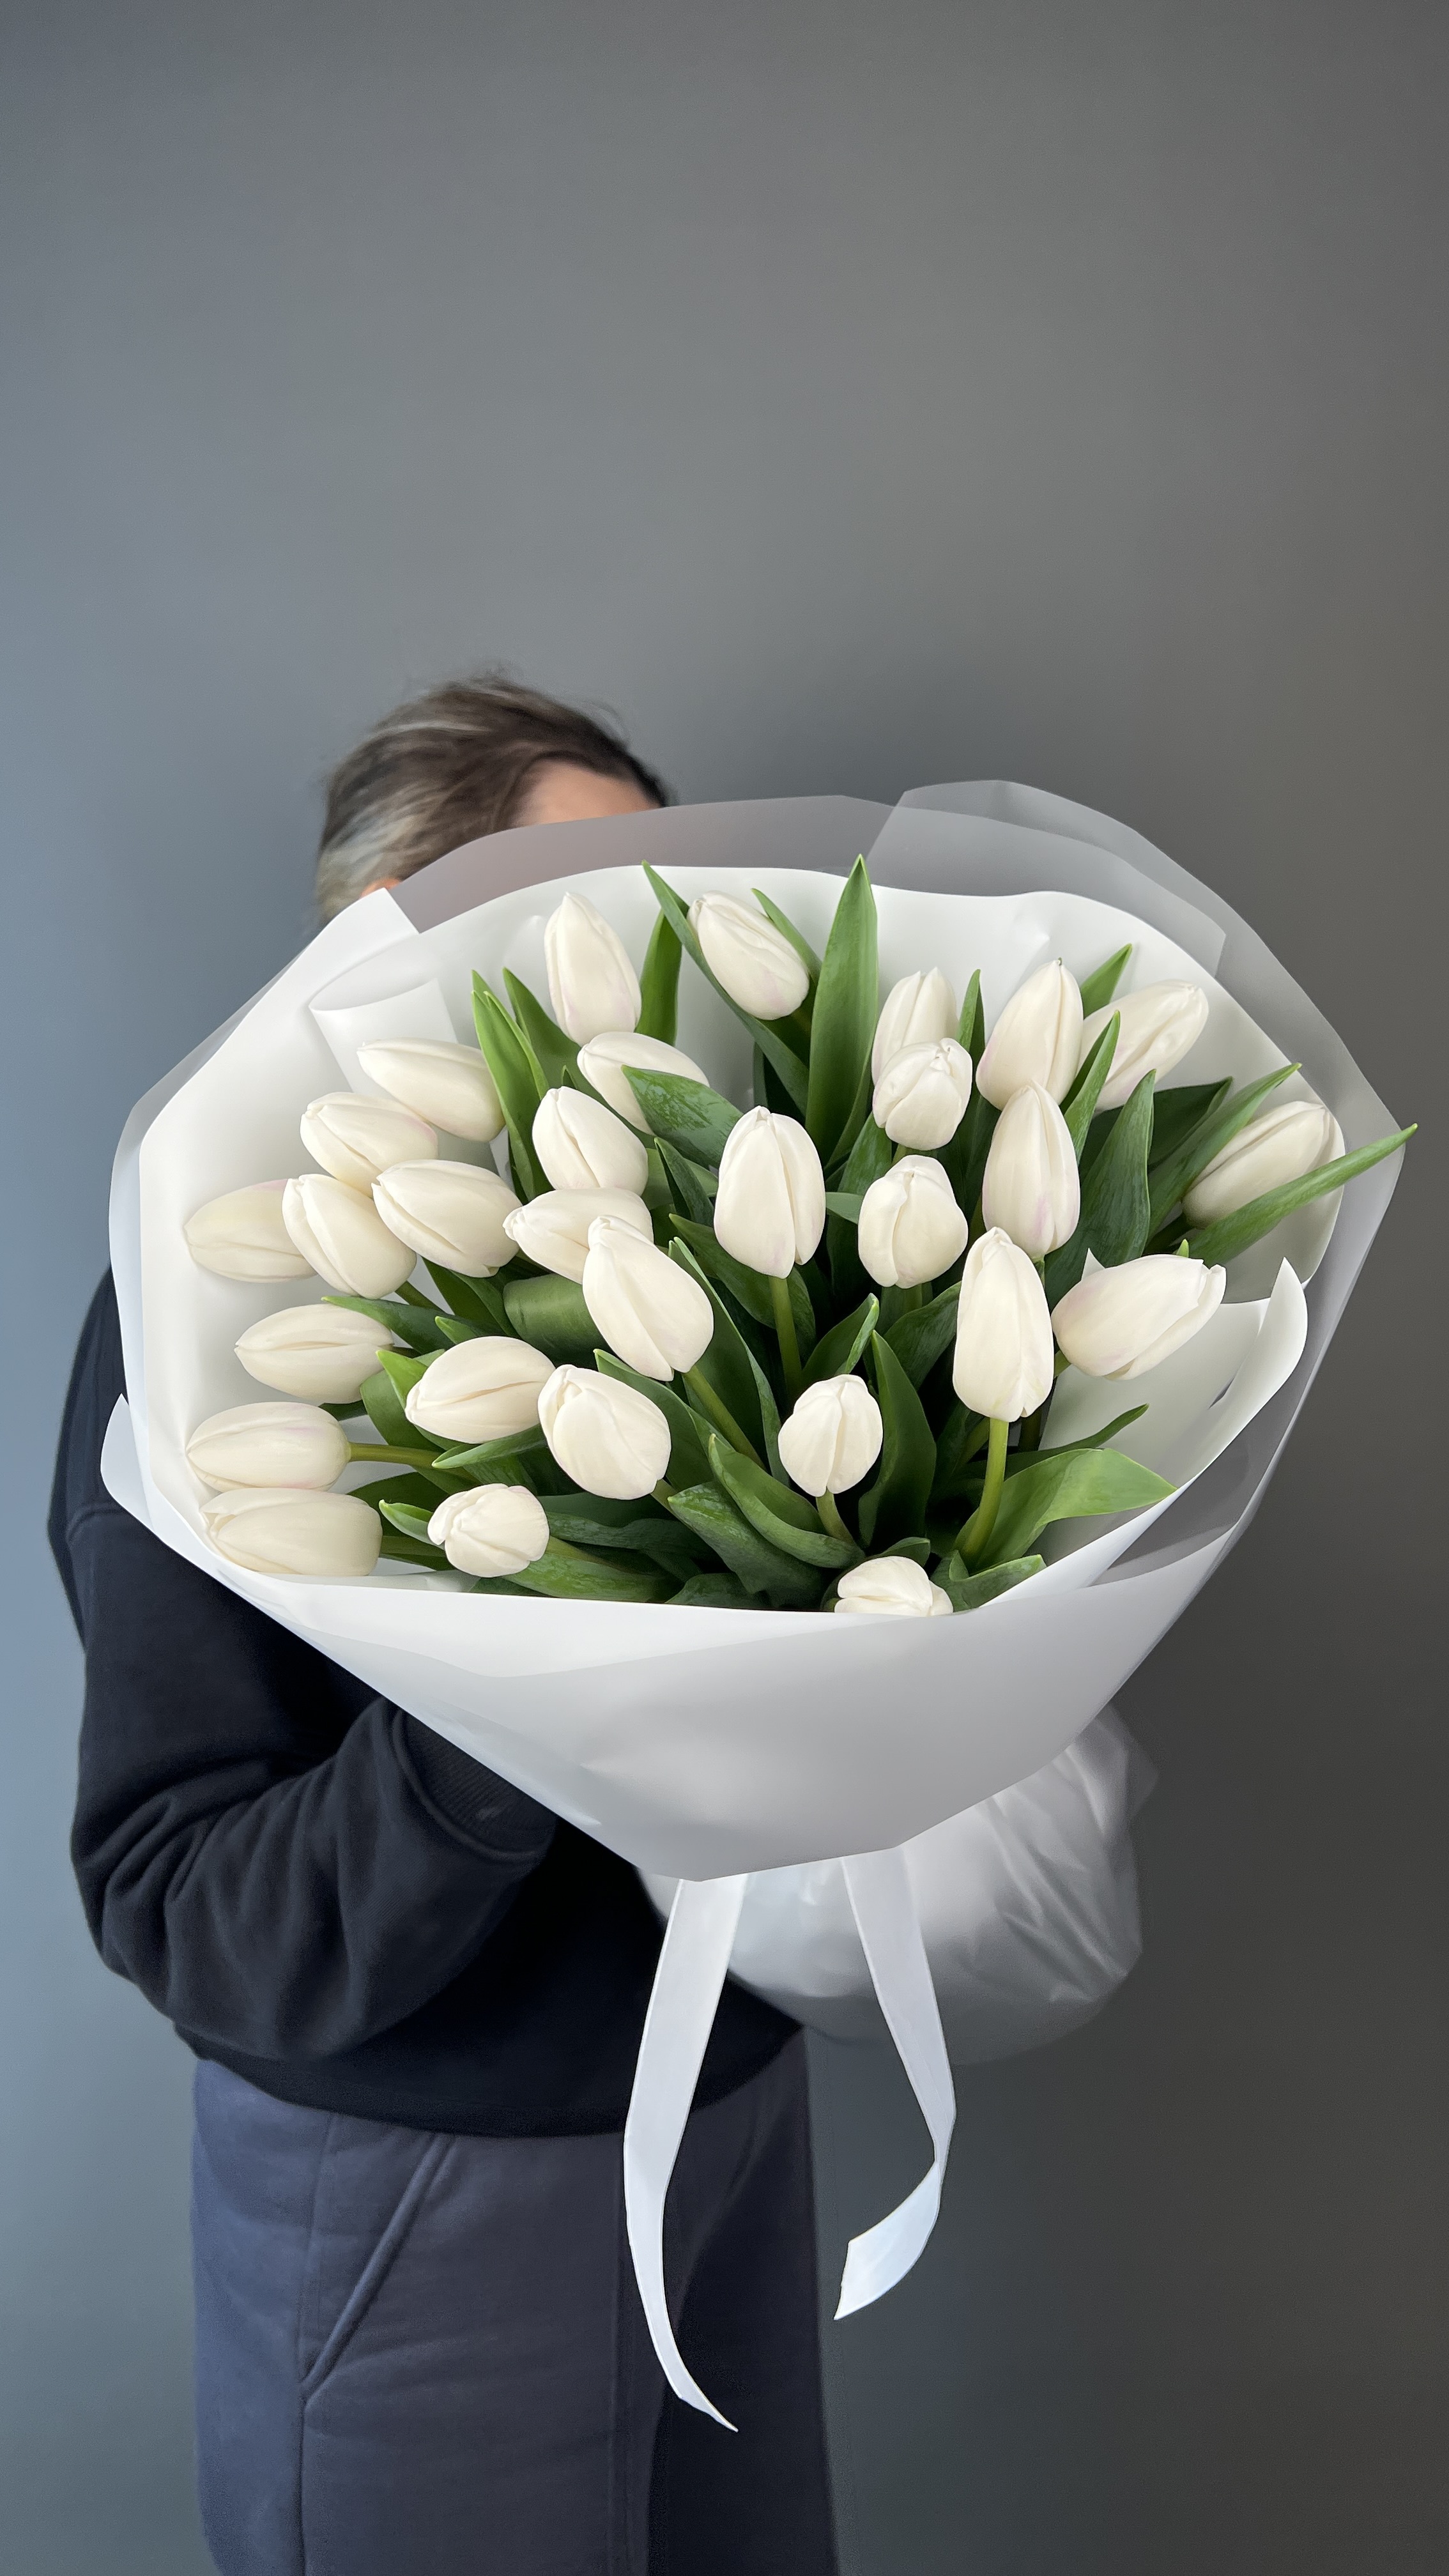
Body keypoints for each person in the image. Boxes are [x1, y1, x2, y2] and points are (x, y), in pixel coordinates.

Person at [49, 675, 840, 2576]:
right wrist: (524, 1694)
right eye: (574, 905)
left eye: (659, 905)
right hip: (417, 2184)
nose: (631, 964)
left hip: (725, 2110)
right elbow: (182, 1901)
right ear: (378, 934)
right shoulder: (220, 1309)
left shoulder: (720, 1252)